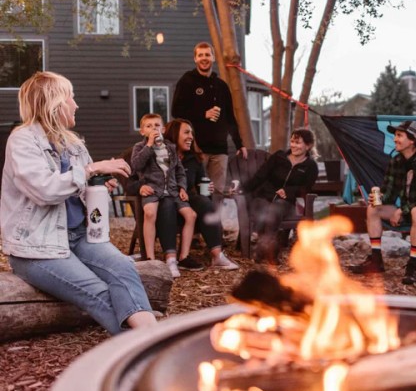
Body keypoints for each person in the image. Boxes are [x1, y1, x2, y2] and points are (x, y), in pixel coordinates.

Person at [0, 71, 157, 335]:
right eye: (70, 97)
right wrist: (92, 170)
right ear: (54, 103)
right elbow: (45, 190)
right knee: (98, 292)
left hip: (81, 236)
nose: (76, 104)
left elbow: (81, 189)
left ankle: (154, 338)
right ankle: (143, 348)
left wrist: (98, 185)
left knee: (124, 268)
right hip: (37, 248)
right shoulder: (22, 140)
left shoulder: (73, 143)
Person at [350, 120, 416, 285]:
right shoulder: (396, 161)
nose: (394, 139)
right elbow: (389, 193)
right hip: (404, 211)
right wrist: (379, 198)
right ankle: (376, 260)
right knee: (373, 209)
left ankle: (412, 266)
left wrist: (402, 210)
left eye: (399, 135)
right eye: (395, 135)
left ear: (412, 140)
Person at [171, 41, 247, 198]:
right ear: (195, 59)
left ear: (213, 58)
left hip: (220, 150)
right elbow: (176, 111)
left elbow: (230, 118)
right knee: (197, 191)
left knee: (217, 193)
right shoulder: (187, 80)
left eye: (207, 54)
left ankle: (215, 215)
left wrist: (239, 144)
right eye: (200, 55)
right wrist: (203, 114)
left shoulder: (222, 86)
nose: (204, 58)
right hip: (197, 149)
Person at [130, 113, 202, 275]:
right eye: (148, 126)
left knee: (191, 215)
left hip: (172, 190)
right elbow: (136, 166)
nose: (153, 129)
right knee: (150, 213)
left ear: (163, 129)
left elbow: (180, 171)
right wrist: (149, 145)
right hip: (152, 189)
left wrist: (182, 188)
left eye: (156, 125)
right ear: (142, 131)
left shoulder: (170, 147)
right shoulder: (140, 147)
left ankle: (182, 257)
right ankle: (150, 259)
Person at [164, 118, 239, 270]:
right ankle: (171, 258)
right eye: (186, 132)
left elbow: (201, 182)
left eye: (192, 133)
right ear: (174, 134)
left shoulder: (194, 159)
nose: (191, 137)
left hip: (187, 199)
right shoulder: (161, 156)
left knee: (205, 203)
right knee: (168, 205)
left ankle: (217, 255)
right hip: (166, 199)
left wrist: (206, 188)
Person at [243, 128, 319, 264]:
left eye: (298, 142)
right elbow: (260, 176)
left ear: (308, 146)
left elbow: (306, 188)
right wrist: (242, 189)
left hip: (286, 202)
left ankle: (262, 249)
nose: (293, 145)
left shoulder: (310, 166)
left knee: (275, 210)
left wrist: (288, 191)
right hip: (264, 196)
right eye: (292, 141)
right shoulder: (279, 157)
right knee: (265, 209)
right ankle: (270, 250)